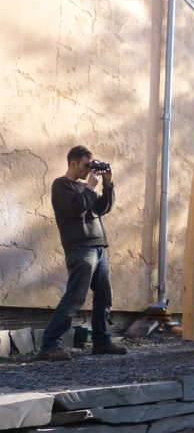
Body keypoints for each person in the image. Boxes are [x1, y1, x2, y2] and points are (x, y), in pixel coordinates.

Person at [37, 145, 127, 361]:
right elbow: (75, 209)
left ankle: (101, 341)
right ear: (73, 163)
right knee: (75, 296)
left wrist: (107, 185)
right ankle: (49, 345)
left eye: (91, 165)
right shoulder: (61, 185)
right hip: (80, 248)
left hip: (99, 247)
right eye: (86, 165)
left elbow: (102, 208)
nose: (89, 170)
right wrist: (89, 187)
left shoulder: (85, 187)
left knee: (104, 296)